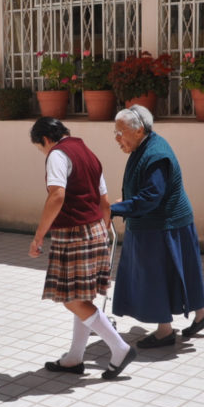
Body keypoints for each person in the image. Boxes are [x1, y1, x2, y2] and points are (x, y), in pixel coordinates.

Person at [29, 117, 136, 379]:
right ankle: (75, 358)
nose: (43, 152)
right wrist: (103, 234)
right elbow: (105, 201)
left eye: (40, 147)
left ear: (45, 139)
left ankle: (119, 348)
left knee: (72, 299)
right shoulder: (89, 154)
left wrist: (39, 236)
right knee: (82, 297)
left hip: (75, 233)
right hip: (96, 230)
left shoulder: (57, 154)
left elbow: (56, 196)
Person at [109, 105, 204, 348]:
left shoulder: (156, 154)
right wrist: (124, 202)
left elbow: (151, 197)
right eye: (115, 132)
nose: (117, 138)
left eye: (120, 132)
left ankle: (164, 332)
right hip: (165, 224)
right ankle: (203, 313)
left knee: (154, 275)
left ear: (139, 131)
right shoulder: (144, 146)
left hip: (163, 226)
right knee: (179, 271)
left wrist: (115, 209)